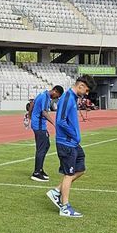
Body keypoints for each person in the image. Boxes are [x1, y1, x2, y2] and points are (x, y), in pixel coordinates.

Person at [46, 76, 91, 218]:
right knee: (69, 174)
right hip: (66, 142)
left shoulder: (73, 97)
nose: (87, 93)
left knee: (81, 169)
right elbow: (60, 121)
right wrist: (73, 134)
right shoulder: (67, 98)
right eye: (87, 90)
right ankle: (65, 207)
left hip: (73, 142)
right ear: (81, 86)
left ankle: (56, 191)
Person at [29, 85, 64, 182]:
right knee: (42, 148)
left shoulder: (42, 94)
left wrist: (30, 116)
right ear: (55, 91)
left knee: (46, 145)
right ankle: (36, 172)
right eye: (57, 96)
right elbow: (44, 112)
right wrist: (54, 123)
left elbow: (32, 104)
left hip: (39, 125)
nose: (56, 98)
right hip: (39, 126)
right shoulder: (45, 97)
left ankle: (40, 169)